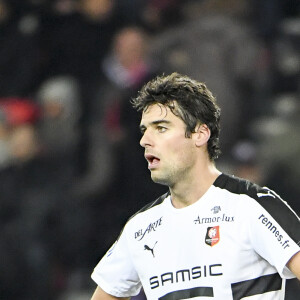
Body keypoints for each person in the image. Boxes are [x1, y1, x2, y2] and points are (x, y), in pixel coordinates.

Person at [90, 73, 300, 299]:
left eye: (161, 128)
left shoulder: (250, 206)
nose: (145, 140)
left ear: (200, 135)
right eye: (144, 130)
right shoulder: (140, 229)